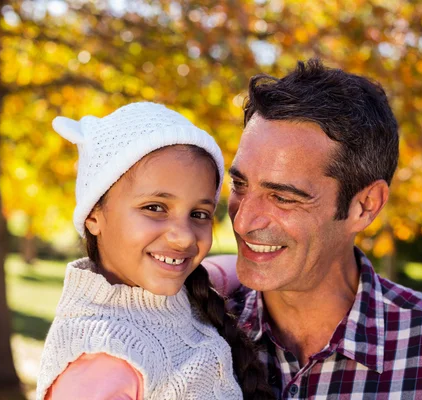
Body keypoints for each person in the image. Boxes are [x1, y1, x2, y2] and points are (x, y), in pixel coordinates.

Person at [208, 59, 422, 399]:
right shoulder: (193, 329)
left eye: (283, 197)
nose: (242, 221)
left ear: (366, 206)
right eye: (240, 185)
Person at [35, 102, 274, 400]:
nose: (183, 237)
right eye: (155, 208)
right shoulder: (102, 359)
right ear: (93, 215)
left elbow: (229, 269)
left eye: (199, 214)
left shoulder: (182, 294)